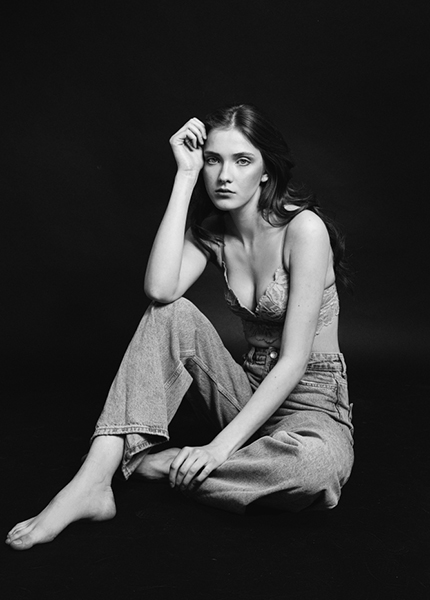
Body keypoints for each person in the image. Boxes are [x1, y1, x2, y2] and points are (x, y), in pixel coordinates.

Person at [6, 104, 354, 551]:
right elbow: (160, 289)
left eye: (242, 161)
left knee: (312, 470)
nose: (224, 175)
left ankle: (163, 465)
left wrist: (217, 449)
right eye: (213, 160)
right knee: (169, 313)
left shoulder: (304, 229)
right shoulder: (214, 231)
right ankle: (91, 482)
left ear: (266, 170)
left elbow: (294, 360)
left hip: (311, 401)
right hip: (245, 390)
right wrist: (185, 176)